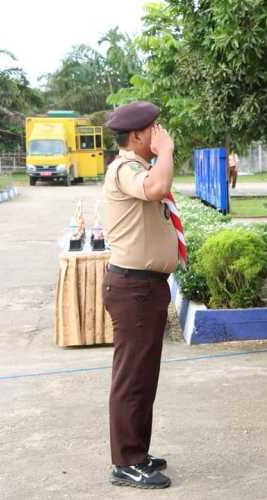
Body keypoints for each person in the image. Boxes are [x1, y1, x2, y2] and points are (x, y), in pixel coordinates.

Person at [103, 101, 182, 489]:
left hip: (145, 287)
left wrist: (162, 155)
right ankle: (126, 462)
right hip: (133, 287)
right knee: (132, 378)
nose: (161, 133)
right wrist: (165, 153)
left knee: (143, 377)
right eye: (155, 129)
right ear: (137, 135)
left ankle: (138, 451)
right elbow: (157, 188)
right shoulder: (125, 169)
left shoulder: (138, 167)